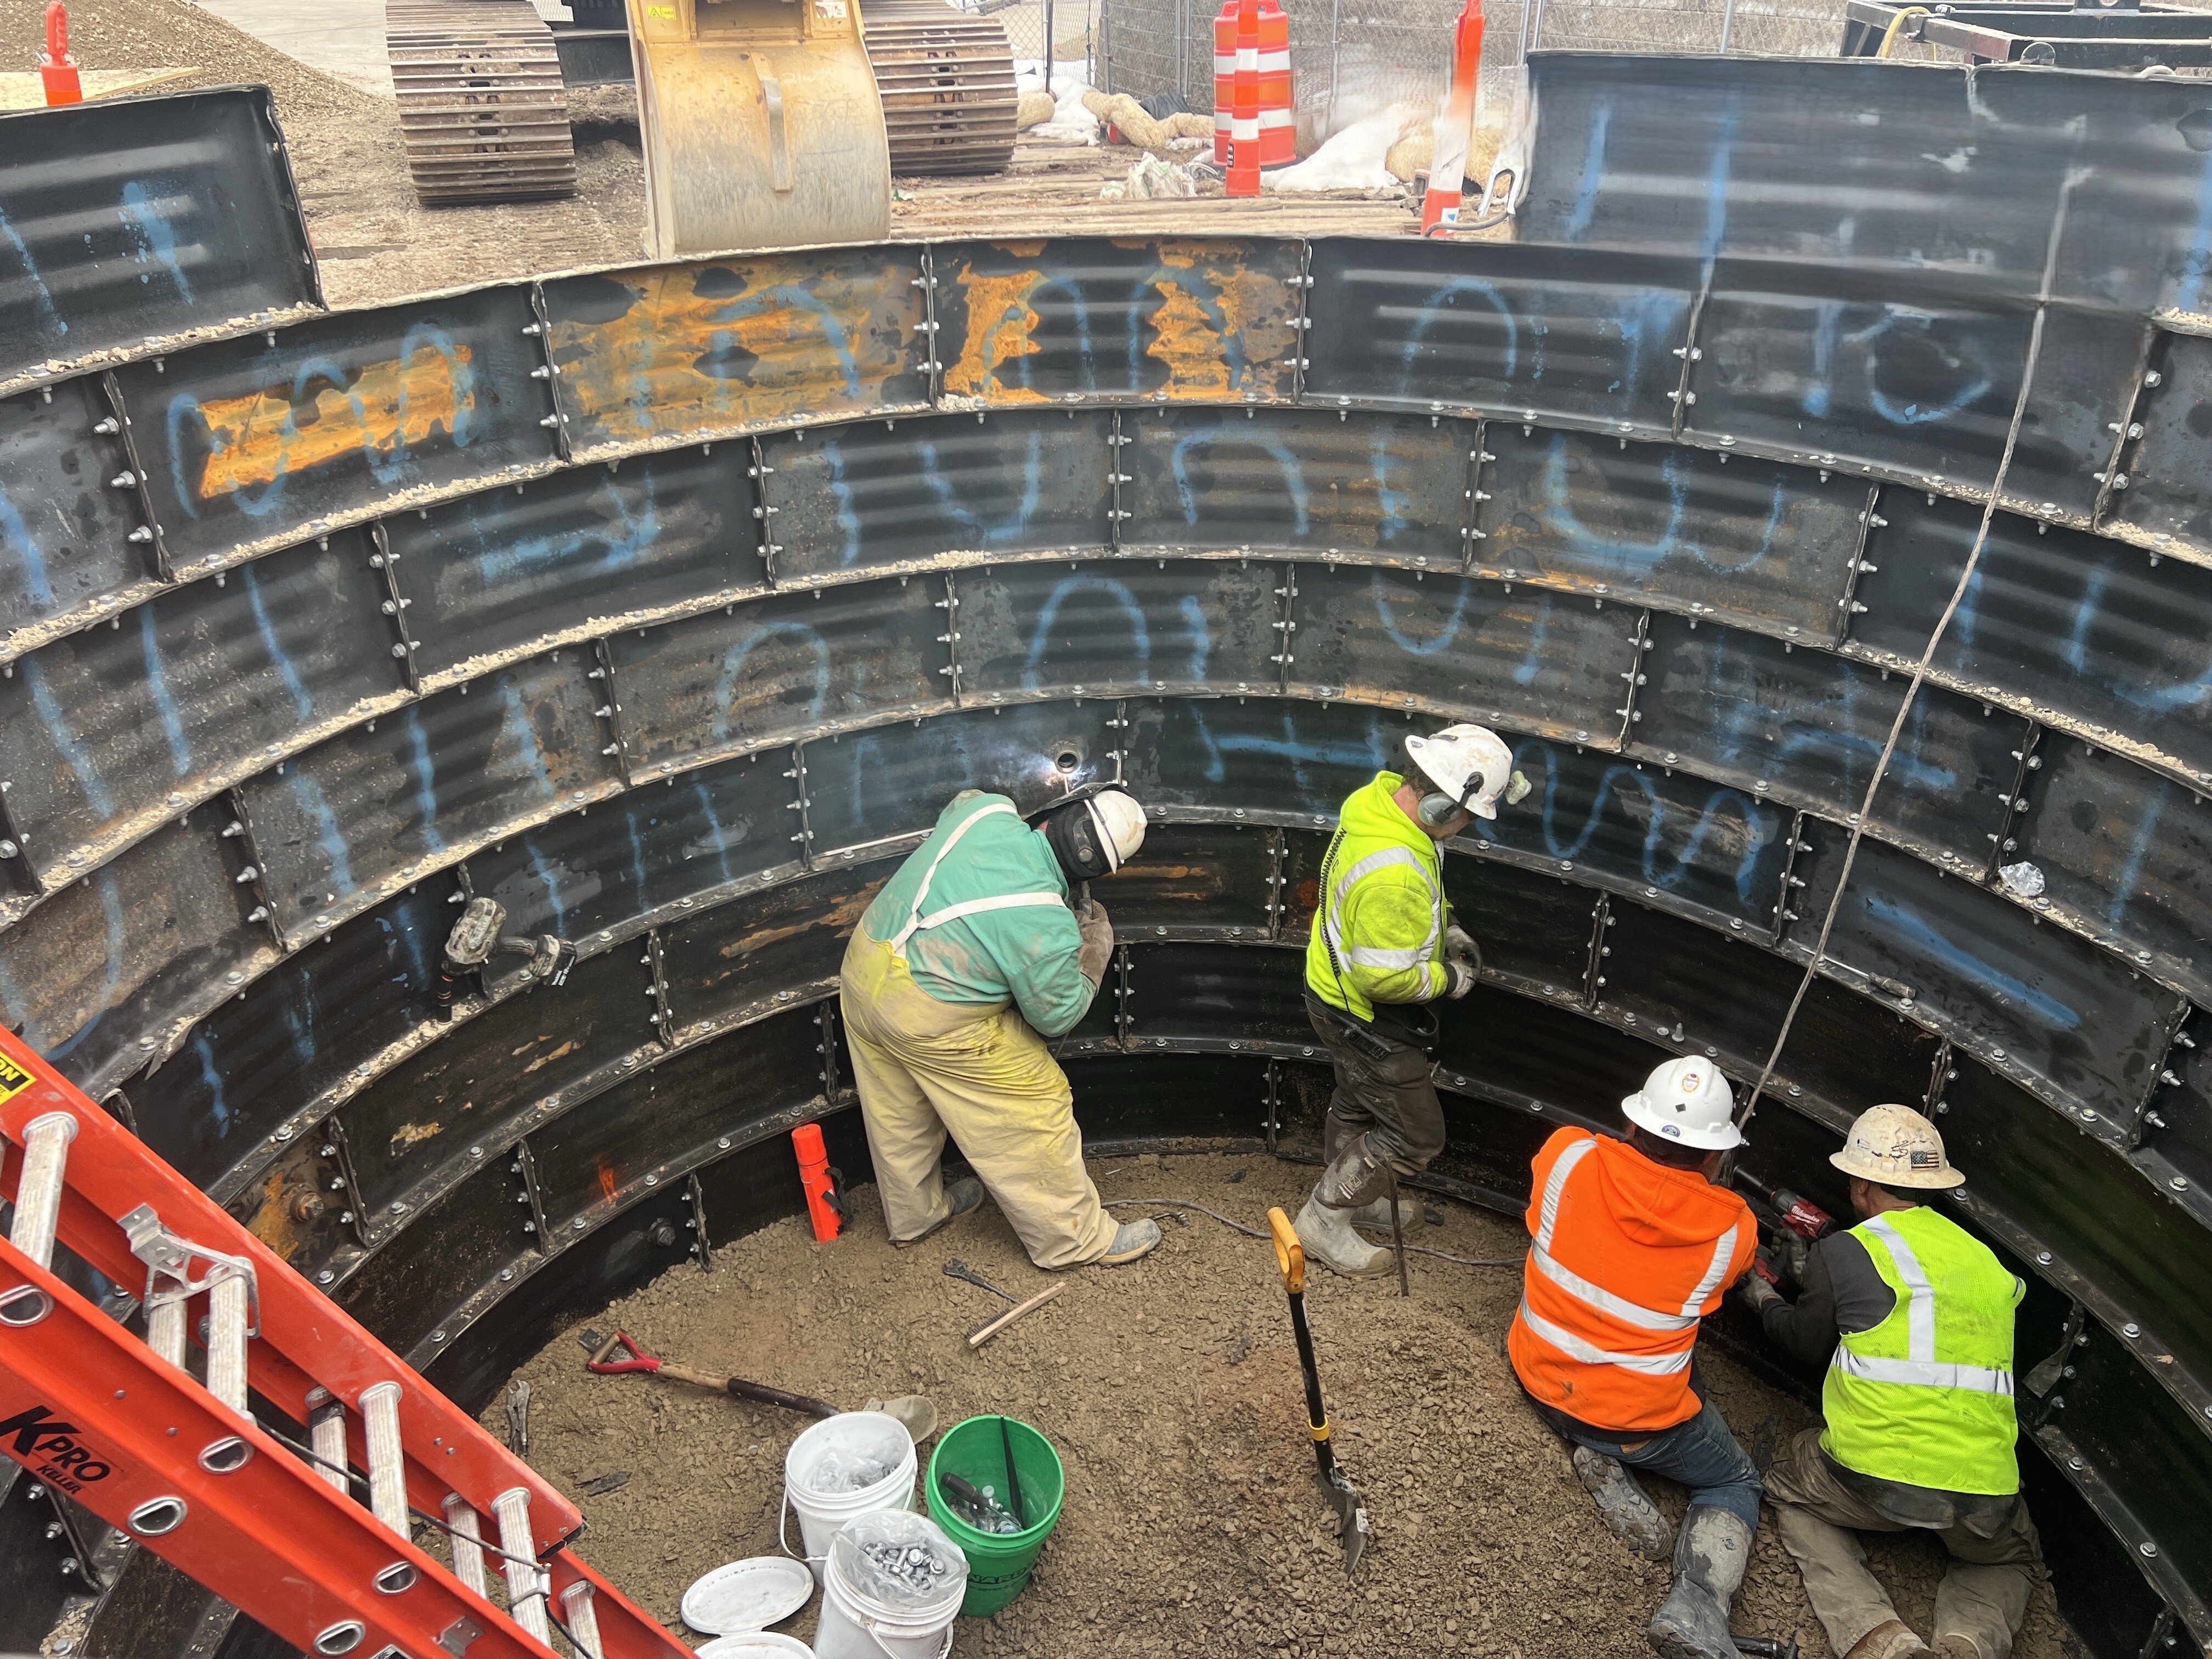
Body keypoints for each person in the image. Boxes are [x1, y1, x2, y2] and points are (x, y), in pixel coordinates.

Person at [1741, 1104, 2040, 1659]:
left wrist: (1763, 1298)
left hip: (1871, 1483)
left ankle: (1882, 1641)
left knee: (1792, 1490)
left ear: (1861, 1185)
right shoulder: (1989, 1263)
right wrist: (1822, 1276)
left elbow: (1805, 1343)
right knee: (2012, 1559)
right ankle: (1968, 1645)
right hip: (1983, 1493)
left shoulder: (1848, 1249)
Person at [838, 784, 1161, 1270]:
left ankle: (915, 1218)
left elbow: (962, 807)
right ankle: (1073, 1242)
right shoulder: (1046, 923)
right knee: (1038, 1100)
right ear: (1096, 873)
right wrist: (1091, 954)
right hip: (927, 1014)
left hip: (864, 970)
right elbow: (1056, 1016)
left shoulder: (985, 811)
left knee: (898, 1110)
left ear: (1056, 816)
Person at [1507, 1058, 1763, 1659]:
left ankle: (1598, 1456)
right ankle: (1698, 1609)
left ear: (1633, 1123)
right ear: (1715, 1154)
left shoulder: (1566, 1154)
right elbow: (1722, 1283)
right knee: (1734, 1480)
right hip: (1631, 1424)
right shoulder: (1734, 1231)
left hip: (1537, 1373)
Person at [1295, 724, 1524, 1277]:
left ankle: (1355, 1191)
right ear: (1443, 807)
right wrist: (1450, 978)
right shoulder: (1394, 871)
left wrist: (1446, 927)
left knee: (1360, 1098)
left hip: (1331, 995)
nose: (1468, 828)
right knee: (1415, 1136)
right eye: (1469, 819)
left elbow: (1409, 898)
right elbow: (1382, 979)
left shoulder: (1380, 804)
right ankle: (1324, 1220)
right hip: (1365, 1014)